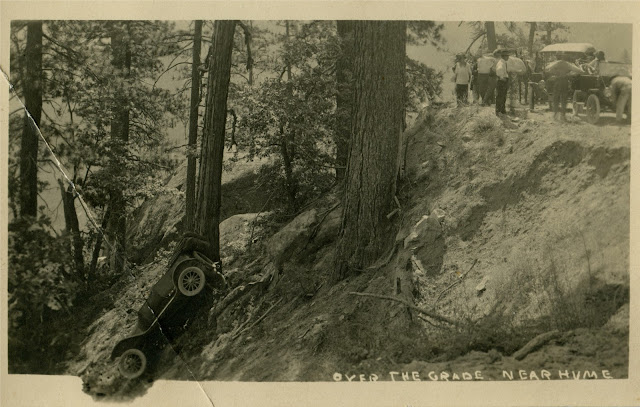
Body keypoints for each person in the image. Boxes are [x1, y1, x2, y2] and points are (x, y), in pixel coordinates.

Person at [495, 48, 510, 116]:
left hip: (503, 80)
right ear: (503, 56)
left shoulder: (504, 62)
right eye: (507, 56)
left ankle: (502, 110)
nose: (508, 57)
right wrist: (502, 77)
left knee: (503, 96)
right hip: (502, 81)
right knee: (500, 96)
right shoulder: (501, 63)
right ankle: (498, 111)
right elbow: (499, 70)